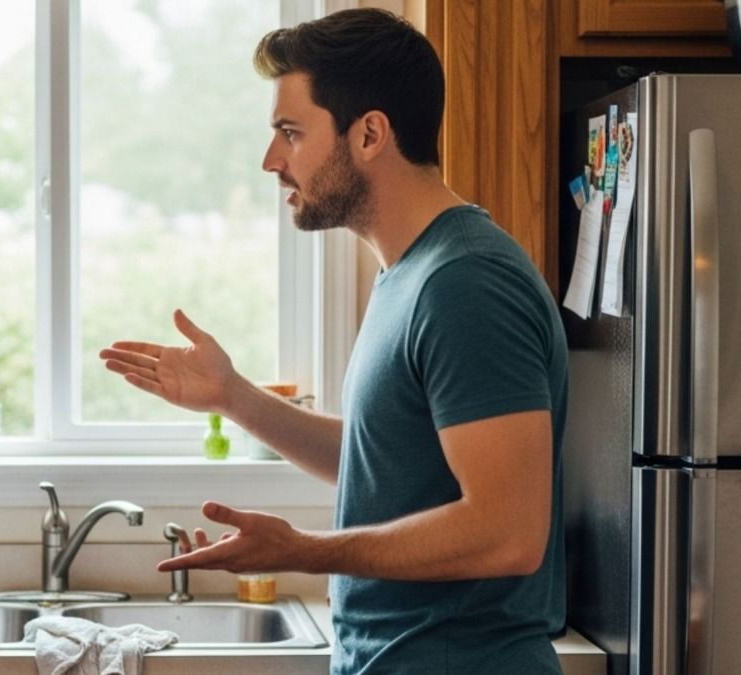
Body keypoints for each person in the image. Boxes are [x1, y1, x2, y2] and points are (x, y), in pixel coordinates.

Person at [100, 8, 567, 674]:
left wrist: (304, 548)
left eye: (291, 133)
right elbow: (388, 461)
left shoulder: (465, 282)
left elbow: (508, 533)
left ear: (371, 133)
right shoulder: (410, 273)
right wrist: (234, 396)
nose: (271, 160)